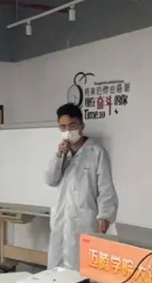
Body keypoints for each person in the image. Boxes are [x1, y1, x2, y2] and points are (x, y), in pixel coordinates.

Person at [45, 103, 119, 270]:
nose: (68, 130)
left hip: (84, 221)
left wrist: (105, 215)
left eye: (72, 125)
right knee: (56, 270)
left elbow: (105, 187)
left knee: (82, 269)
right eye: (63, 127)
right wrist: (59, 156)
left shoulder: (96, 152)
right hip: (61, 219)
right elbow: (50, 180)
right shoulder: (61, 154)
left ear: (81, 125)